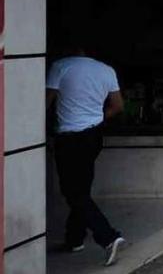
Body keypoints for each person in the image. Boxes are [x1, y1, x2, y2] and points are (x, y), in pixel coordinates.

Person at [46, 44, 126, 266]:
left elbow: (46, 101)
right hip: (94, 136)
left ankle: (108, 237)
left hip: (69, 136)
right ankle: (74, 238)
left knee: (72, 191)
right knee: (81, 187)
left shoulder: (60, 67)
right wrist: (98, 117)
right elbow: (118, 106)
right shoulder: (106, 70)